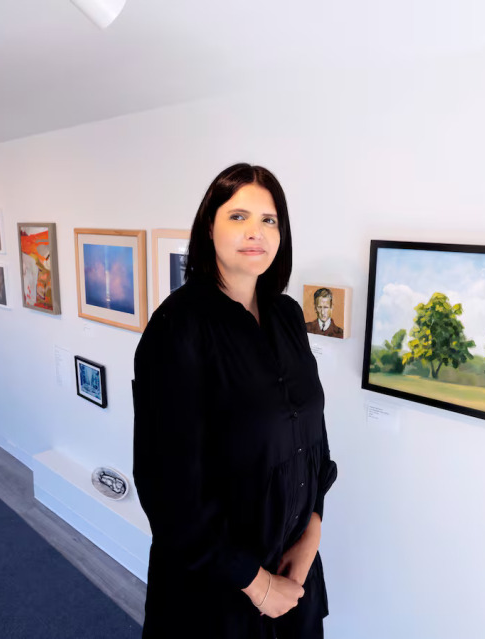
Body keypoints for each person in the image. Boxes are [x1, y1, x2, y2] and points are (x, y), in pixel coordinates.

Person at [133, 164, 338, 638]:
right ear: (210, 226)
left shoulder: (287, 316)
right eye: (238, 216)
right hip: (218, 589)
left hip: (293, 573)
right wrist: (258, 585)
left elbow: (313, 439)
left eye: (269, 220)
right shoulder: (178, 330)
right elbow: (167, 489)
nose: (256, 232)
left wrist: (312, 531)